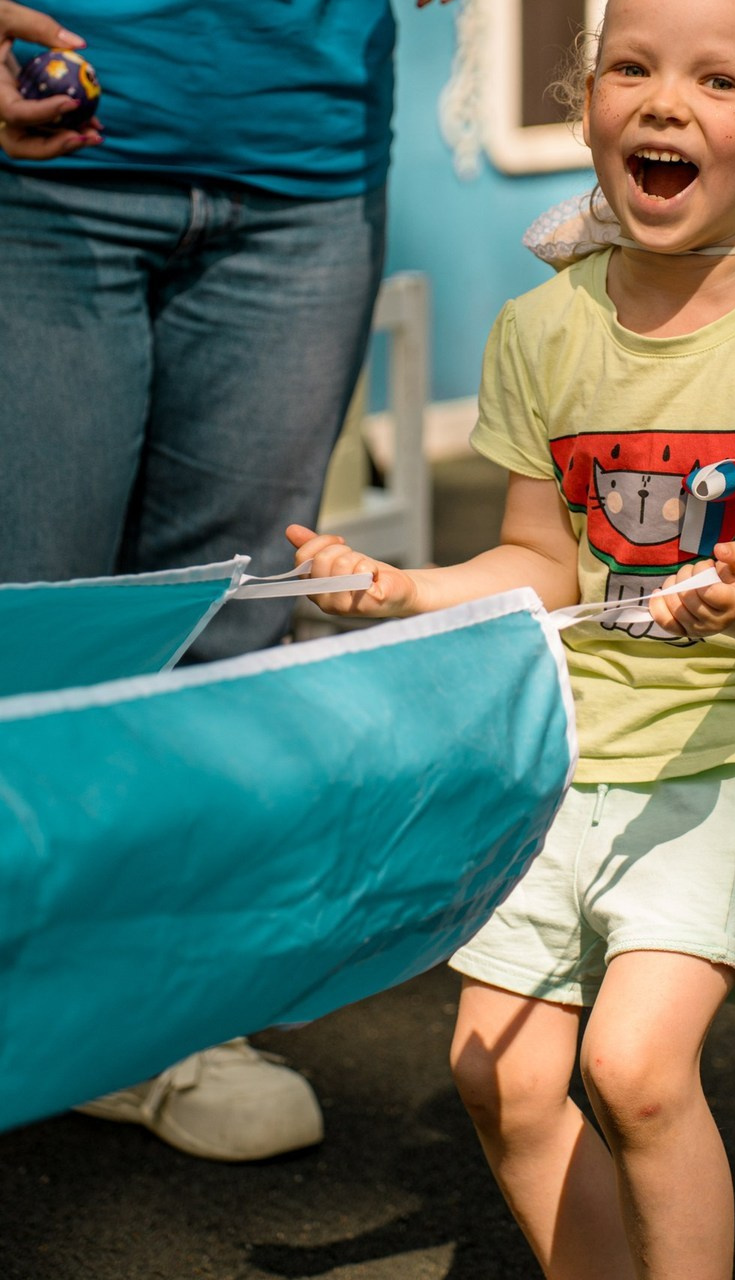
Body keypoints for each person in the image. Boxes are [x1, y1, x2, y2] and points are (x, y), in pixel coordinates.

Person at [290, 0, 735, 1273]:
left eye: (714, 81)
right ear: (586, 100)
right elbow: (539, 561)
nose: (661, 101)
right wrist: (400, 584)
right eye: (627, 67)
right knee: (504, 1078)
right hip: (581, 739)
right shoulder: (543, 329)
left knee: (633, 1065)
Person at [0, 0, 450, 1162]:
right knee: (30, 625)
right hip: (37, 148)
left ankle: (158, 1019)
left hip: (302, 160)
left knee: (222, 627)